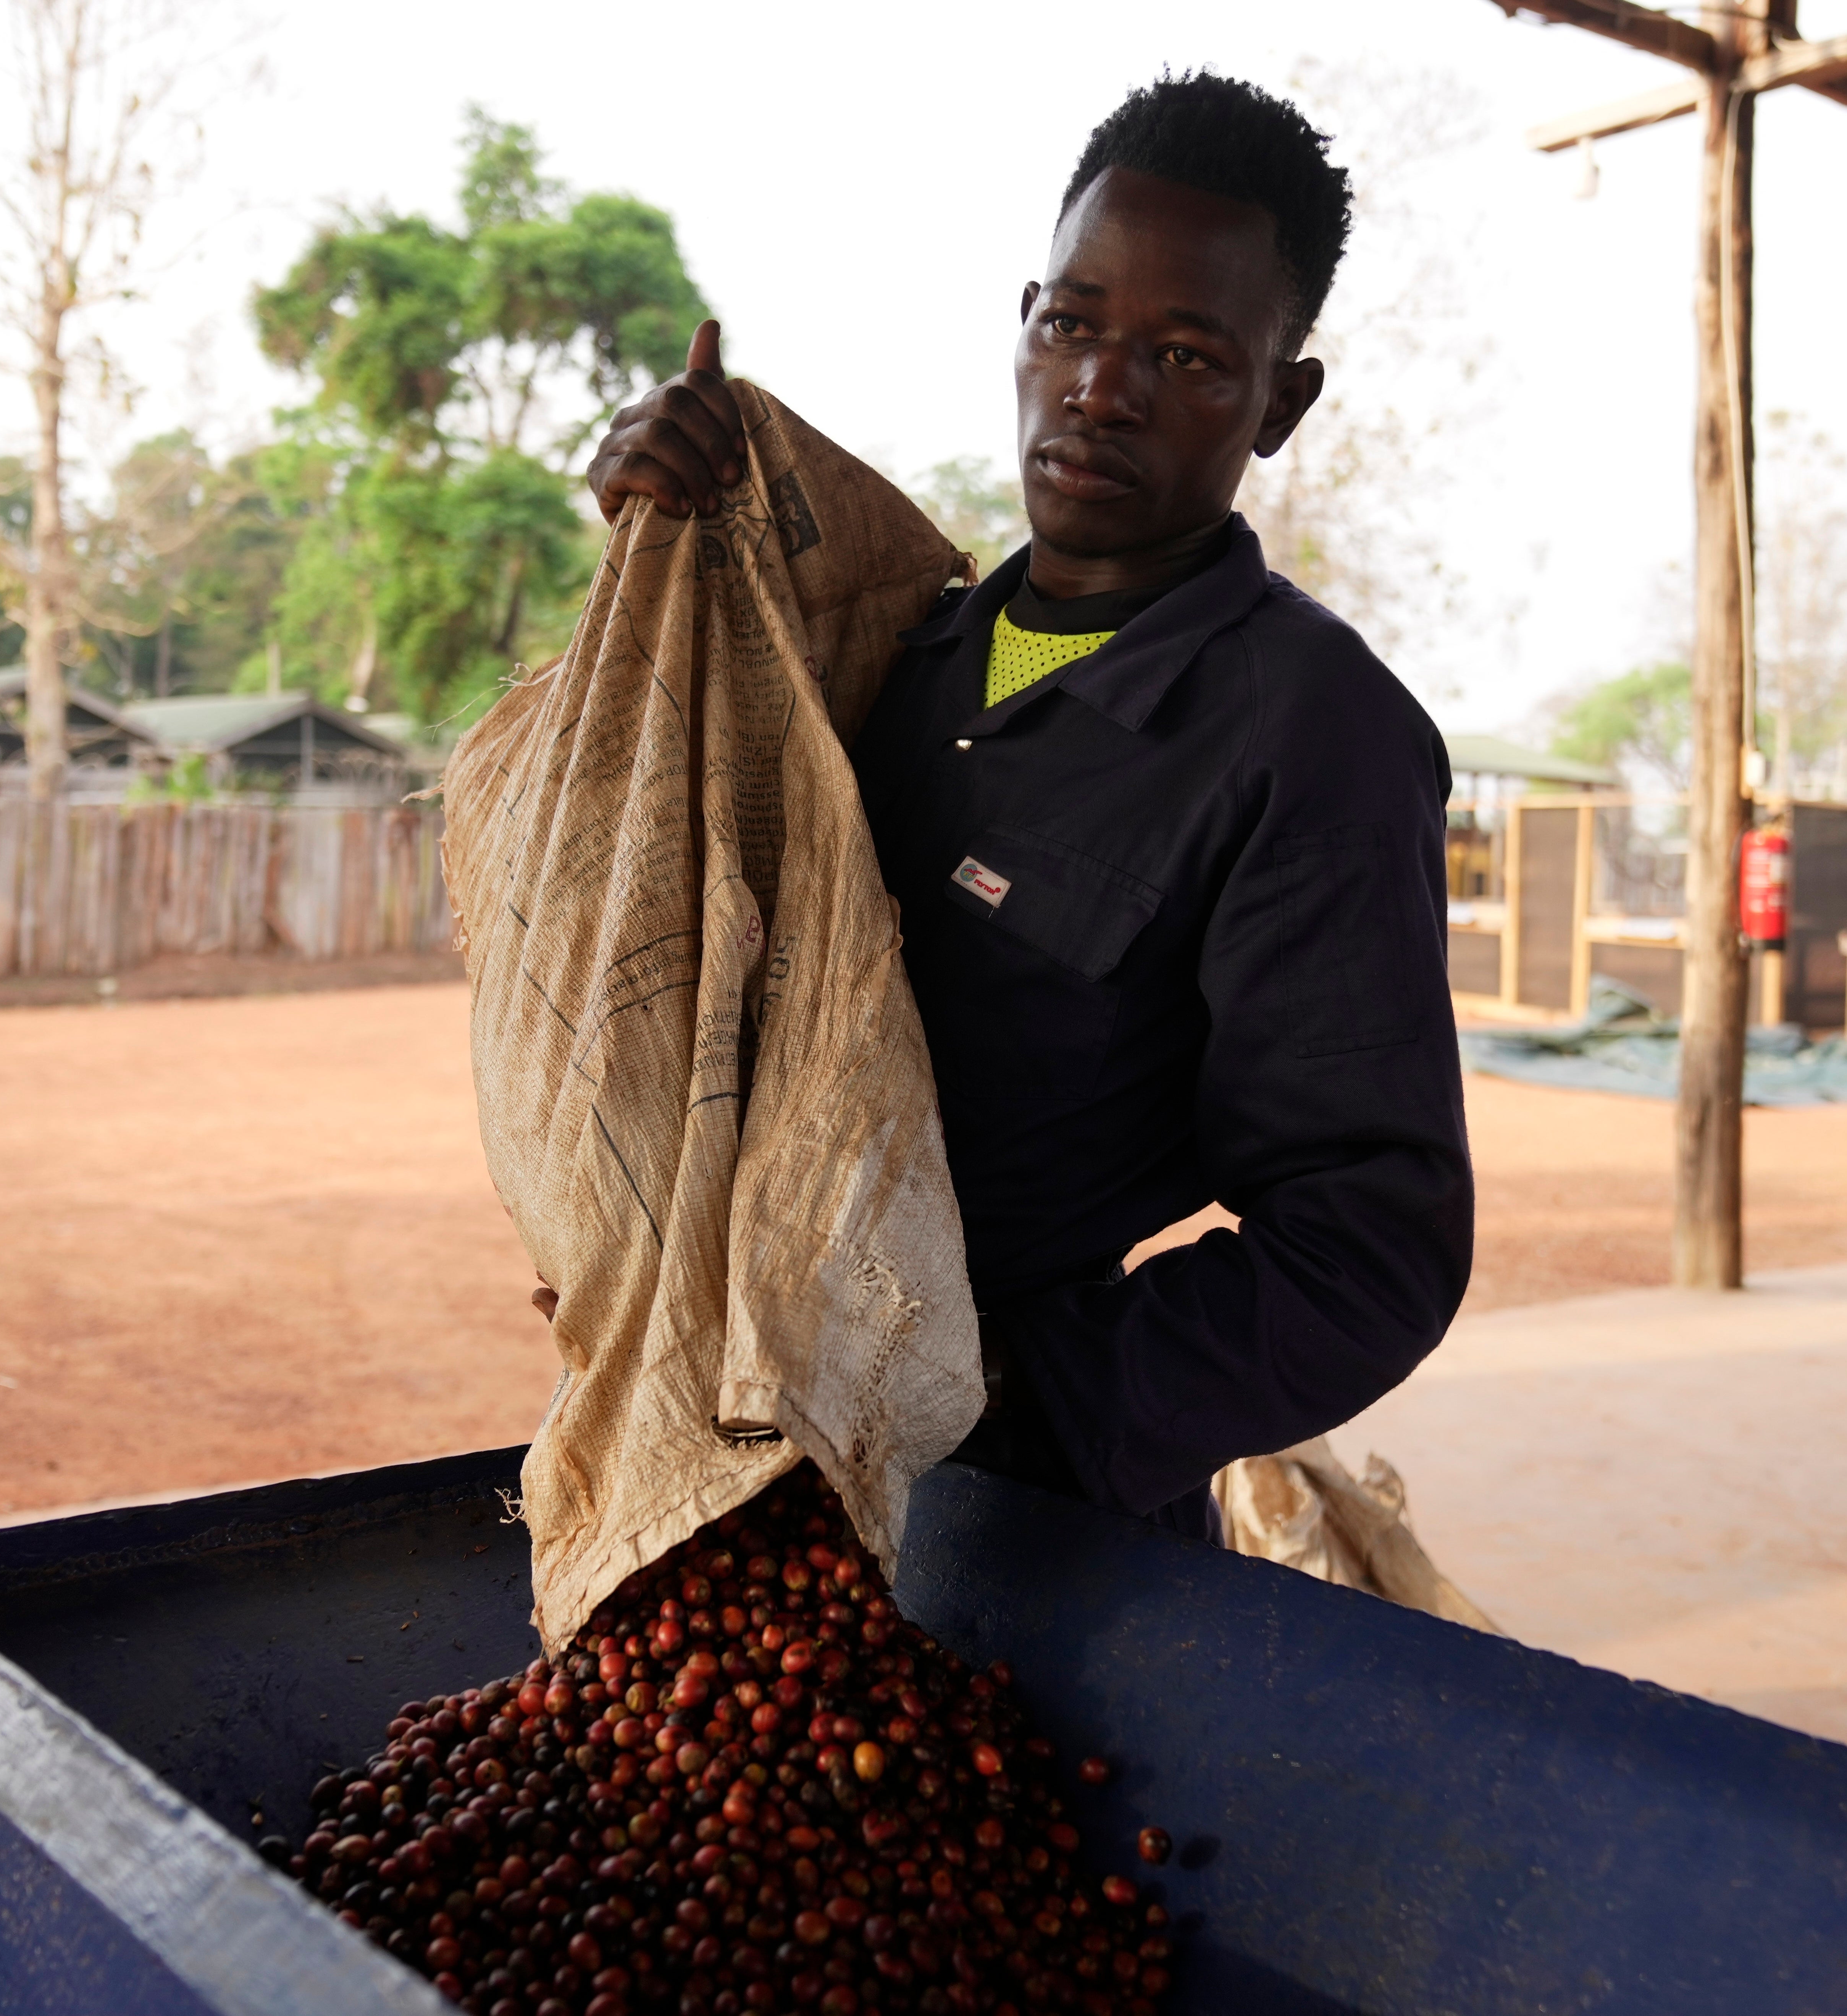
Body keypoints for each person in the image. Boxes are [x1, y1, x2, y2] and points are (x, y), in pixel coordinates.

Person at [582, 73, 1472, 1542]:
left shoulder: (1311, 736)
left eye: (1187, 356)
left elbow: (1366, 1251)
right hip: (700, 1446)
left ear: (1282, 401)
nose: (1100, 389)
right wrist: (649, 538)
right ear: (1026, 321)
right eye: (1072, 324)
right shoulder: (888, 656)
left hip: (1024, 1530)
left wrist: (986, 1402)